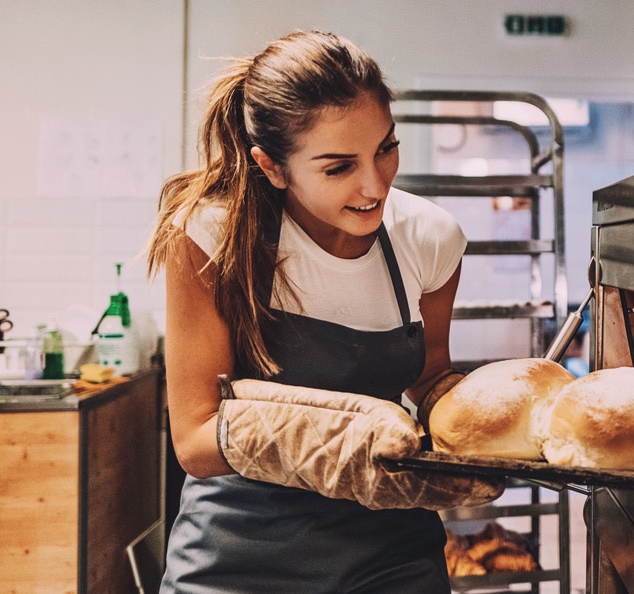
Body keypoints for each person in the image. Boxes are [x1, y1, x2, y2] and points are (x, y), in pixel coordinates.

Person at [145, 30, 504, 592]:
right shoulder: (212, 236)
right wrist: (347, 444)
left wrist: (494, 425)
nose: (374, 185)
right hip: (238, 551)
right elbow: (195, 439)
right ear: (273, 166)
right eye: (338, 167)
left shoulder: (430, 239)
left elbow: (430, 378)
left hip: (389, 551)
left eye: (386, 148)